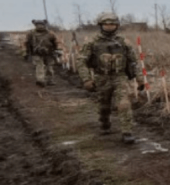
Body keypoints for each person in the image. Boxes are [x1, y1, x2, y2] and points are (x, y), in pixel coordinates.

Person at [77, 12, 143, 144]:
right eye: (106, 24)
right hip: (101, 77)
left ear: (117, 25)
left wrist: (140, 78)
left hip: (120, 77)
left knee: (124, 104)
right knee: (104, 105)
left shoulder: (123, 42)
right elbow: (81, 61)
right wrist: (86, 79)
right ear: (101, 25)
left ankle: (127, 132)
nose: (109, 26)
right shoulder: (92, 42)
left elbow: (133, 61)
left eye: (112, 24)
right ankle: (104, 122)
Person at [23, 19, 63, 87]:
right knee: (46, 67)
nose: (40, 26)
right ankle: (45, 80)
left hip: (45, 53)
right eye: (38, 25)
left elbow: (27, 43)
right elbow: (55, 43)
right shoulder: (50, 33)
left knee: (43, 67)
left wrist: (27, 52)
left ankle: (43, 80)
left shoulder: (31, 33)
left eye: (41, 25)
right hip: (42, 53)